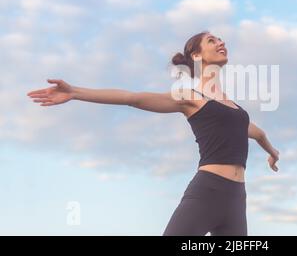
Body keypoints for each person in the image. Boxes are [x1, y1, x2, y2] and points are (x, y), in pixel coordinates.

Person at [26, 31, 280, 236]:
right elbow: (132, 98)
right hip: (208, 191)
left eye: (220, 39)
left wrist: (272, 152)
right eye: (211, 40)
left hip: (237, 199)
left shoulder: (234, 109)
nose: (220, 42)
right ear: (197, 55)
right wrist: (75, 92)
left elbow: (256, 133)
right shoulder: (191, 96)